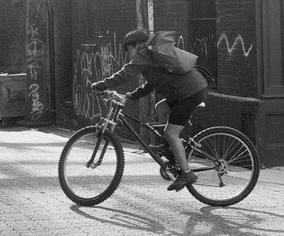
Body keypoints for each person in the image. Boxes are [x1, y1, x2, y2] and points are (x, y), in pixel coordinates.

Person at [89, 29, 209, 191]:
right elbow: (151, 84)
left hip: (189, 92)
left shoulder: (144, 53)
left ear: (135, 45)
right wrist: (133, 95)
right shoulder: (153, 54)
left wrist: (102, 85)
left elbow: (126, 74)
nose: (129, 54)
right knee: (161, 108)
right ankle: (170, 147)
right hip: (190, 90)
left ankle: (187, 173)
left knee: (171, 133)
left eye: (129, 49)